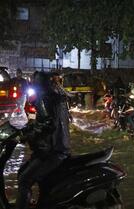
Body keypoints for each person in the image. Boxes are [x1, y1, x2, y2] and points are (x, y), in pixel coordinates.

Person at [16, 72, 71, 209]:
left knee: (24, 180)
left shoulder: (44, 98)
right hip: (60, 147)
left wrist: (28, 134)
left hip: (51, 151)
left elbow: (48, 124)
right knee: (24, 171)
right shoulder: (58, 97)